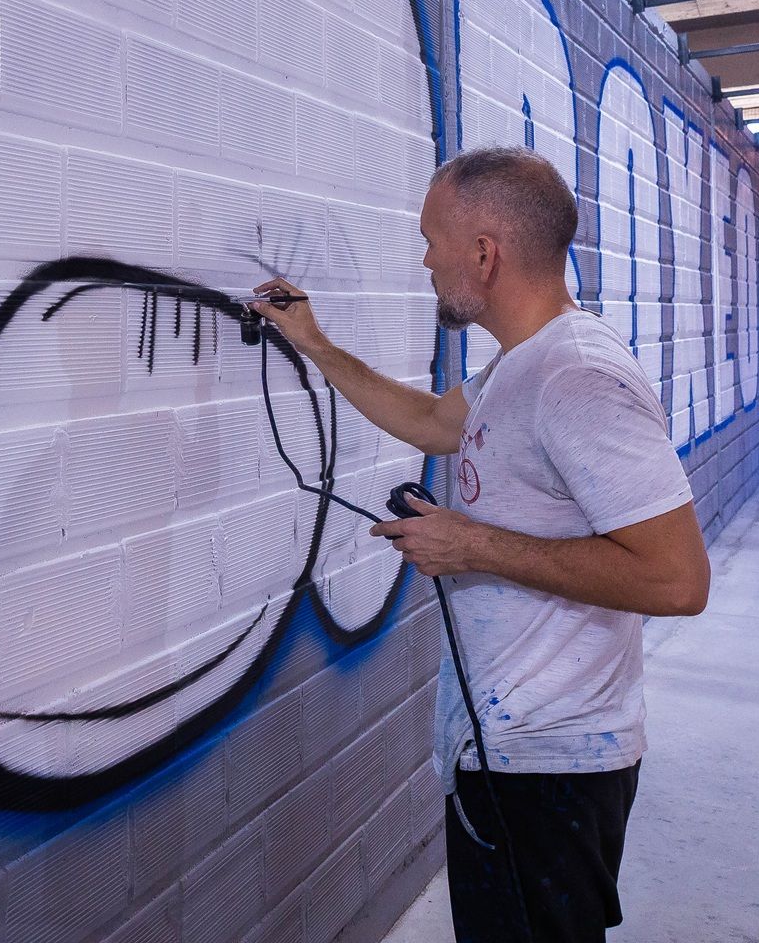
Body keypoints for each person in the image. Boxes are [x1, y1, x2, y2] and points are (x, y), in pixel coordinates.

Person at [250, 146, 709, 943]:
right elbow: (430, 421)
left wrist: (474, 547)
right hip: (512, 753)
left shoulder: (576, 378)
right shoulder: (519, 367)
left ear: (485, 254)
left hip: (552, 763)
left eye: (433, 241)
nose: (426, 261)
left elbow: (678, 581)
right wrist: (314, 343)